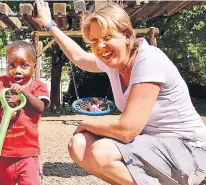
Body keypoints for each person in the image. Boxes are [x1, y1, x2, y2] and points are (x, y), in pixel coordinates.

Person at [33, 1, 206, 185]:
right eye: (94, 40)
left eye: (107, 37)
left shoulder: (148, 60)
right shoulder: (113, 64)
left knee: (101, 152)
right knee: (79, 145)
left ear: (127, 35)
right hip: (153, 145)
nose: (100, 46)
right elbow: (80, 58)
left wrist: (87, 123)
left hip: (191, 152)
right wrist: (49, 25)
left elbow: (127, 130)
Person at [0, 40, 50, 185]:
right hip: (3, 151)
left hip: (28, 151)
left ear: (34, 66)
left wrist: (25, 93)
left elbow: (40, 106)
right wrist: (2, 99)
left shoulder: (37, 87)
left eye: (24, 65)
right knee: (5, 181)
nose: (18, 70)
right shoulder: (0, 83)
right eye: (12, 65)